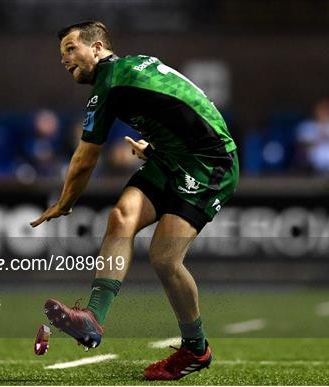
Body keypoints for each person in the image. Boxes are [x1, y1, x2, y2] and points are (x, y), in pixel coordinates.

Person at [30, 21, 239, 381]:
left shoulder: (109, 84)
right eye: (61, 53)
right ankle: (92, 319)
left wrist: (65, 202)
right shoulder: (132, 66)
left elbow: (84, 158)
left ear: (97, 48)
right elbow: (184, 105)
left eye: (70, 49)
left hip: (210, 163)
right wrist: (157, 147)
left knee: (163, 257)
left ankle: (196, 349)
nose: (64, 59)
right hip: (171, 155)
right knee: (120, 217)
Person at [295, 99, 329, 175]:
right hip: (315, 154)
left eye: (327, 110)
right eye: (322, 110)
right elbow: (302, 143)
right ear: (316, 111)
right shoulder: (307, 125)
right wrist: (318, 137)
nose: (325, 113)